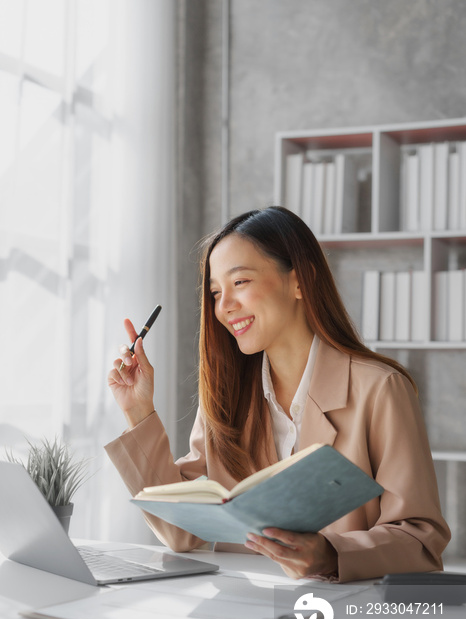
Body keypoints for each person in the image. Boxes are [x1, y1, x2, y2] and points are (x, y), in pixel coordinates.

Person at [106, 205, 450, 582]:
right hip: (243, 611)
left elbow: (421, 540)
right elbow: (182, 532)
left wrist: (331, 555)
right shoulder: (226, 398)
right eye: (216, 292)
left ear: (300, 280)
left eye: (240, 283)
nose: (224, 307)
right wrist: (139, 412)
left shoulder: (379, 389)